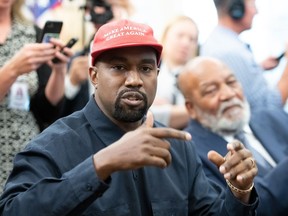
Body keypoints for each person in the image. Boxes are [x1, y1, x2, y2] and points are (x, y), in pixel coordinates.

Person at [0, 19, 259, 215]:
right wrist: (101, 165)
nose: (134, 80)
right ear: (94, 76)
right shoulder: (52, 146)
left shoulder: (178, 147)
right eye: (119, 67)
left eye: (146, 68)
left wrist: (240, 192)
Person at [178, 56, 288, 216]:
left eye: (231, 82)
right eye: (211, 91)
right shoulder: (188, 153)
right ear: (191, 108)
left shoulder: (272, 117)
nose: (228, 94)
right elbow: (238, 209)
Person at [0, 0, 74, 192]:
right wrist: (12, 70)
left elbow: (46, 110)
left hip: (24, 154)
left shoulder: (31, 33)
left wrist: (59, 71)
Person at [200, 0, 288, 112]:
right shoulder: (230, 51)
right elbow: (270, 109)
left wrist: (259, 68)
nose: (256, 11)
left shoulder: (219, 41)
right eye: (252, 5)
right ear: (236, 9)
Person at [61, 0, 134, 117]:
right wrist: (71, 83)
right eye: (95, 6)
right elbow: (57, 114)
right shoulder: (76, 60)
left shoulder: (140, 55)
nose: (99, 12)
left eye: (106, 6)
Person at [150, 15, 199, 129]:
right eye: (180, 36)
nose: (186, 43)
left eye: (192, 39)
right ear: (165, 37)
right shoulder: (147, 71)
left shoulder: (201, 77)